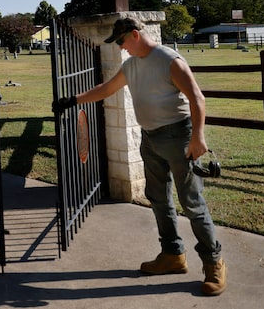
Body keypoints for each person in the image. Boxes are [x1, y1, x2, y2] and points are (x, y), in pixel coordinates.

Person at [52, 16, 227, 296]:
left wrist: (198, 137)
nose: (121, 47)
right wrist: (72, 101)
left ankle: (214, 263)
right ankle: (173, 256)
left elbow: (197, 98)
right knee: (158, 198)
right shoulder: (131, 65)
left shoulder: (168, 59)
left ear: (134, 34)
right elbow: (106, 89)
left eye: (121, 41)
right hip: (151, 139)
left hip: (179, 138)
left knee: (191, 202)